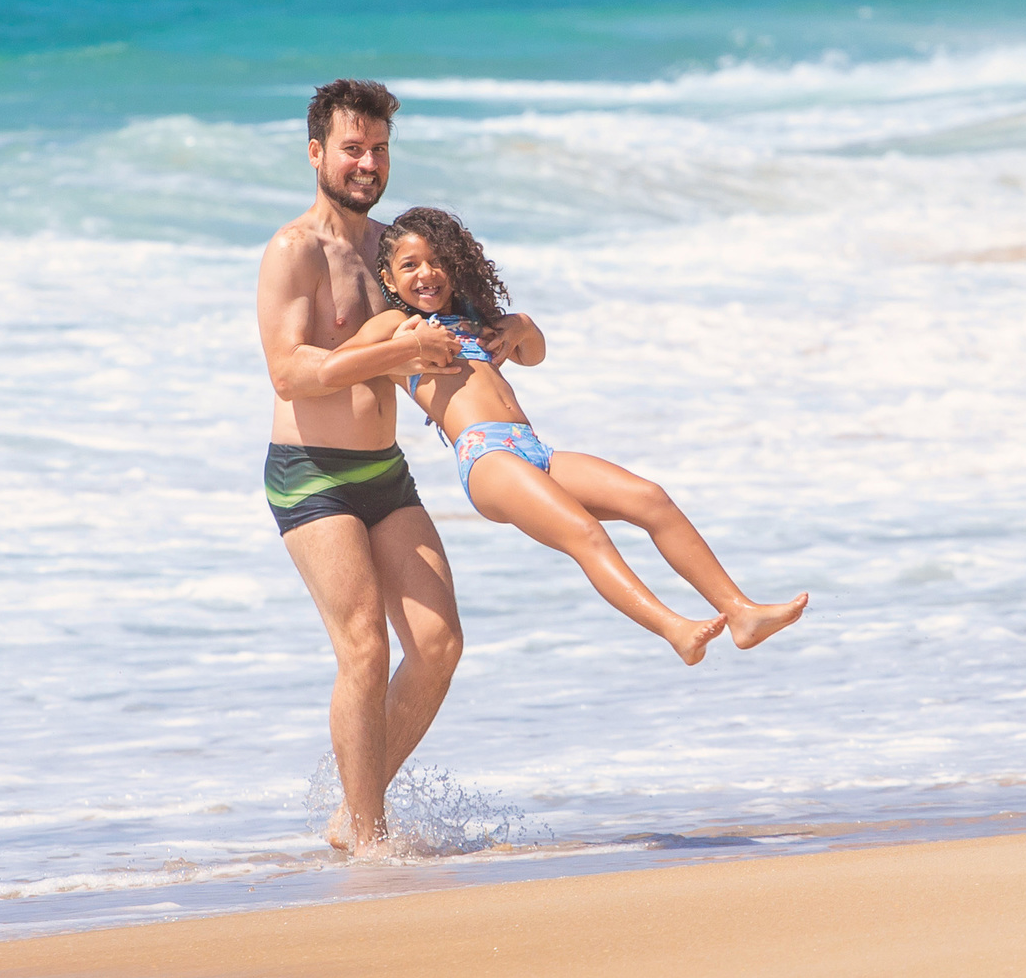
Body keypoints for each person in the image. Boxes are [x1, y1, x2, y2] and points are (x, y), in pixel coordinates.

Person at [333, 206, 808, 664]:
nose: (426, 273)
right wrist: (410, 348)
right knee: (584, 532)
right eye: (410, 265)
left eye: (437, 261)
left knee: (651, 499)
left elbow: (533, 355)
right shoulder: (398, 324)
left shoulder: (473, 322)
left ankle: (742, 613)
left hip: (533, 448)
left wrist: (521, 325)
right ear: (391, 281)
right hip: (487, 459)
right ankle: (674, 628)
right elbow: (343, 364)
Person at [257, 83, 466, 859]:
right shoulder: (293, 250)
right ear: (317, 153)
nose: (367, 163)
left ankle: (354, 813)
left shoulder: (390, 249)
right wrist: (396, 351)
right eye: (352, 147)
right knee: (364, 646)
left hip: (385, 469)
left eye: (379, 148)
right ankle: (371, 836)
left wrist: (513, 331)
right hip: (310, 472)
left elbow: (454, 322)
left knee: (439, 643)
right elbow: (292, 370)